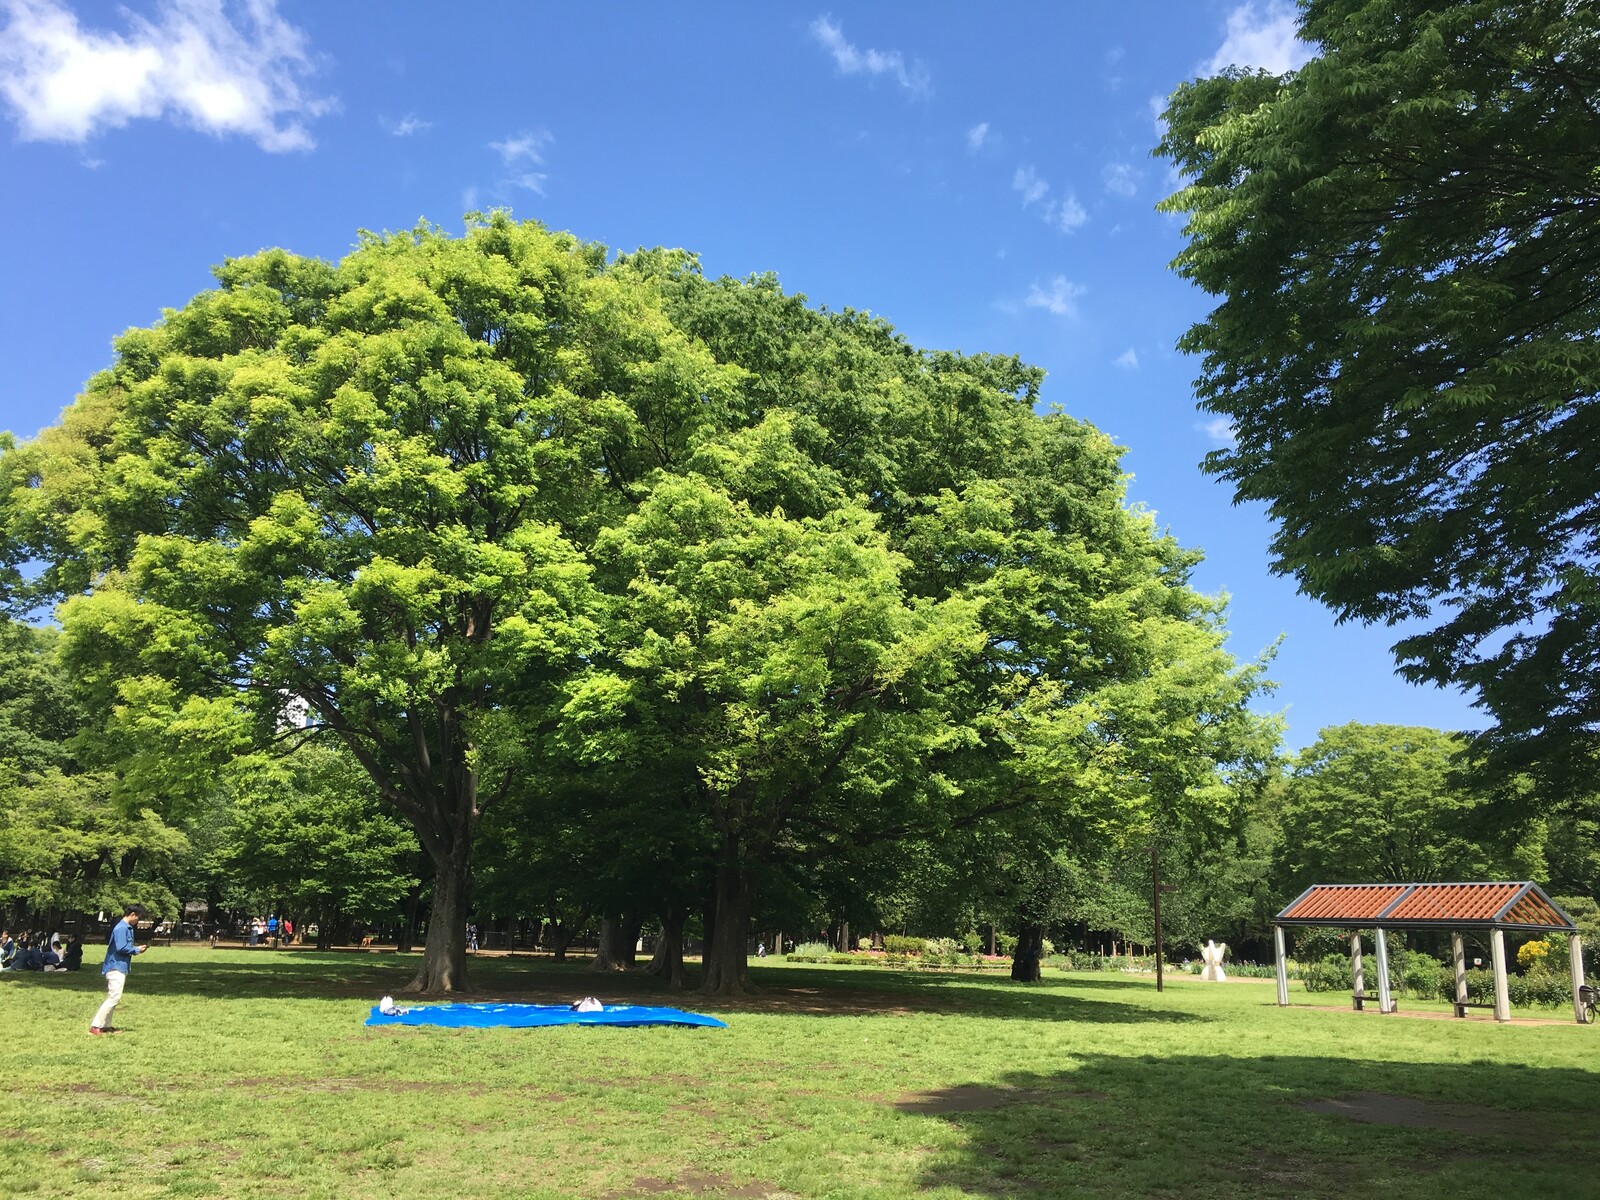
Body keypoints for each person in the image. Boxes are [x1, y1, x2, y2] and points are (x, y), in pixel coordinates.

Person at [90, 904, 149, 1035]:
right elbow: (121, 948)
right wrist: (137, 949)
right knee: (114, 997)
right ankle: (95, 1026)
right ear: (132, 914)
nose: (138, 921)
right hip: (115, 966)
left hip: (120, 966)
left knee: (114, 997)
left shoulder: (126, 928)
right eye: (138, 918)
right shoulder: (121, 928)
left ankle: (106, 1026)